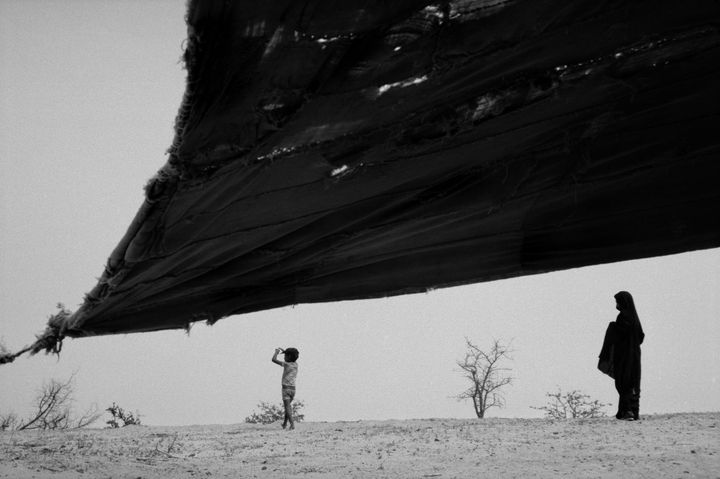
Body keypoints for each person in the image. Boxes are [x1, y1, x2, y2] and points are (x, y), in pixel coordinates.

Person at [598, 291, 645, 420]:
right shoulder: (635, 318)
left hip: (624, 356)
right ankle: (631, 411)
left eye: (617, 302)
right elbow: (641, 337)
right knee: (632, 382)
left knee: (623, 382)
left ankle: (627, 411)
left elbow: (619, 335)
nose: (616, 304)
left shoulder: (622, 317)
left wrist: (612, 327)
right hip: (634, 355)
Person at [272, 347, 299, 430]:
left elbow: (273, 359)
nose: (284, 357)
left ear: (289, 356)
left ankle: (292, 424)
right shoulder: (296, 365)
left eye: (285, 356)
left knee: (287, 407)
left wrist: (276, 352)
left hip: (285, 389)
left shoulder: (286, 364)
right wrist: (285, 351)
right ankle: (284, 424)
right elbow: (292, 357)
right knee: (288, 408)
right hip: (293, 389)